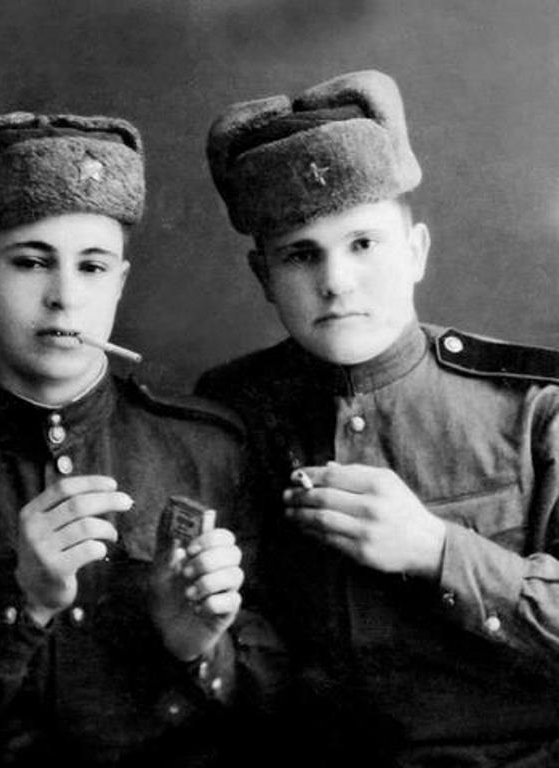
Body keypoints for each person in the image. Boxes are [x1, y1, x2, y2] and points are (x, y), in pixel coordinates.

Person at [0, 111, 282, 768]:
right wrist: (21, 604)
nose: (64, 298)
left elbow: (288, 713)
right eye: (31, 262)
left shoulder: (209, 451)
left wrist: (201, 648)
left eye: (92, 267)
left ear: (121, 282)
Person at [196, 68, 559, 766]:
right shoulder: (234, 412)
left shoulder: (534, 407)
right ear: (264, 277)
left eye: (363, 243)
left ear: (416, 252)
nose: (336, 281)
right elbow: (246, 654)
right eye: (301, 254)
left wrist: (436, 549)